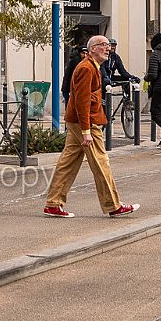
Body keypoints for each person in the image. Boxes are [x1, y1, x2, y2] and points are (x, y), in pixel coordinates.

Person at [43, 37, 138, 219]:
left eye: (108, 46)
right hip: (85, 122)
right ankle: (113, 205)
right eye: (103, 45)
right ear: (92, 49)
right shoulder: (86, 68)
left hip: (78, 121)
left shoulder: (92, 66)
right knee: (101, 162)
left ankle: (53, 203)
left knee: (68, 163)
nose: (108, 48)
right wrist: (86, 131)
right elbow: (82, 101)